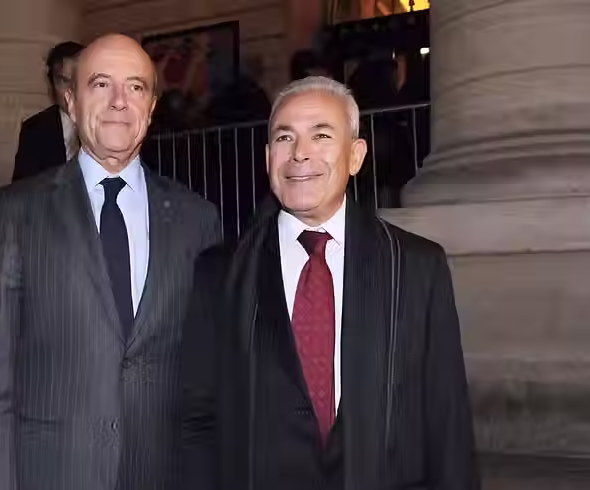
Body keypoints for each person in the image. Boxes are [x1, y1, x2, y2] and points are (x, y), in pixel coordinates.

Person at [181, 77, 479, 490]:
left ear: (355, 155)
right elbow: (198, 420)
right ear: (268, 157)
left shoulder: (416, 267)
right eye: (285, 138)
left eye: (321, 135)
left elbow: (447, 423)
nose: (300, 153)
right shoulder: (220, 272)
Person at [0, 34, 221, 490]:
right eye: (101, 85)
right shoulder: (16, 213)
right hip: (52, 474)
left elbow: (209, 384)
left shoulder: (198, 220)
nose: (119, 102)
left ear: (152, 105)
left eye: (136, 87)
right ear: (71, 99)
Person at [12, 41, 85, 182]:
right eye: (64, 81)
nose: (72, 90)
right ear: (51, 83)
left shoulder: (110, 122)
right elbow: (22, 192)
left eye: (79, 80)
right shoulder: (34, 130)